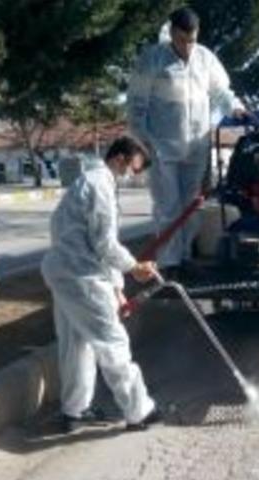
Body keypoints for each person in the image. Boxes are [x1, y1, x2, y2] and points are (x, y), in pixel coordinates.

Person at [41, 135, 161, 433]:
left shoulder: (87, 182)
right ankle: (139, 411)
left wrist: (118, 289)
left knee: (77, 345)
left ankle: (74, 411)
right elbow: (105, 244)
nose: (136, 174)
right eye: (135, 167)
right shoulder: (100, 185)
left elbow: (86, 239)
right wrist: (135, 267)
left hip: (65, 273)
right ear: (120, 158)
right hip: (82, 278)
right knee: (113, 343)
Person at [127, 6, 250, 279]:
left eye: (192, 40)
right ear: (171, 33)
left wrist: (236, 108)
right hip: (162, 148)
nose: (187, 46)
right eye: (182, 40)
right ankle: (170, 265)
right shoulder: (153, 59)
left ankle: (184, 258)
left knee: (190, 208)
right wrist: (145, 143)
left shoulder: (205, 58)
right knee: (168, 208)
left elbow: (221, 92)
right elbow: (136, 106)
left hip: (196, 146)